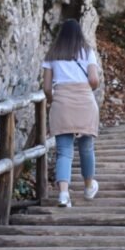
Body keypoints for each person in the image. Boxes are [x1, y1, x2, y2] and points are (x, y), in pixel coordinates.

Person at [42, 18, 100, 207]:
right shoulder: (87, 51)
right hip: (84, 100)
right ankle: (89, 187)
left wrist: (53, 100)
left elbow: (47, 87)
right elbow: (94, 80)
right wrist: (83, 87)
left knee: (64, 152)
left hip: (62, 102)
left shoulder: (52, 54)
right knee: (86, 147)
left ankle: (63, 195)